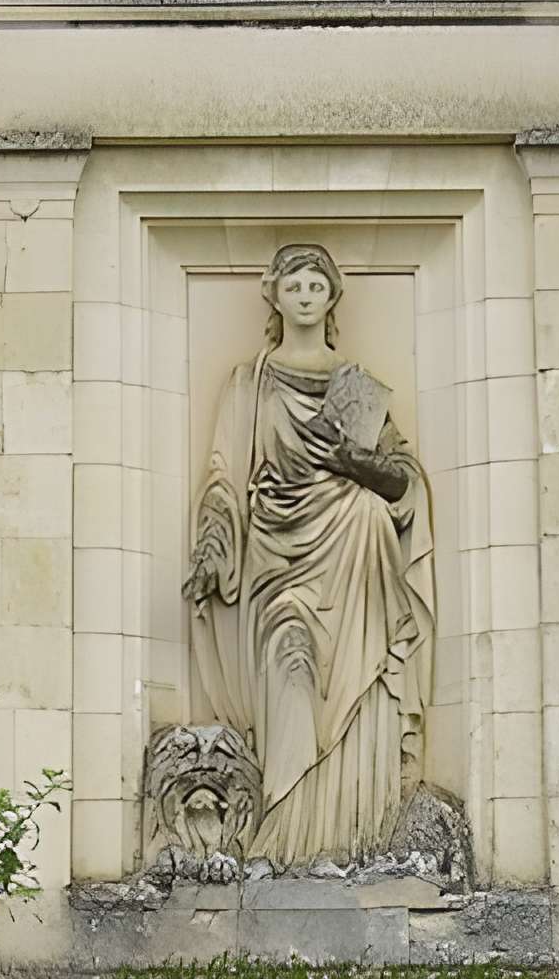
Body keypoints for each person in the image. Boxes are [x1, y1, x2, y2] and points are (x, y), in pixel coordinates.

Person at [184, 243, 436, 866]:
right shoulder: (249, 383)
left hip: (355, 559)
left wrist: (358, 464)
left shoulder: (356, 387)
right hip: (276, 561)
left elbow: (403, 480)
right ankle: (283, 839)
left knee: (355, 683)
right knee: (291, 663)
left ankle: (344, 841)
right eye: (293, 284)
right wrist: (214, 545)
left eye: (316, 285)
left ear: (332, 297)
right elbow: (223, 476)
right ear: (272, 294)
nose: (304, 295)